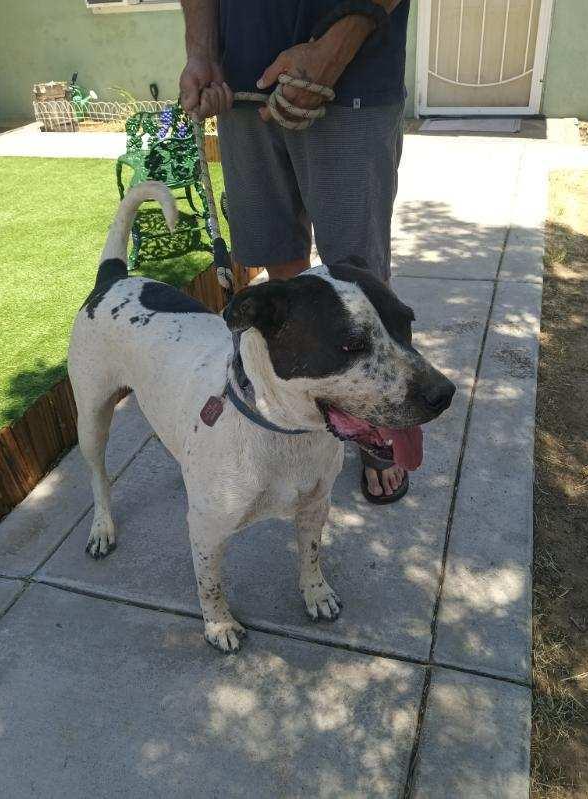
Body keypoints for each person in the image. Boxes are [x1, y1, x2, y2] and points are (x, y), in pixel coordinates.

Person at [180, 0, 411, 503]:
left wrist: (332, 49)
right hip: (242, 89)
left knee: (360, 275)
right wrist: (201, 52)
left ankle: (379, 428)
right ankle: (301, 409)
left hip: (354, 81)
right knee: (281, 273)